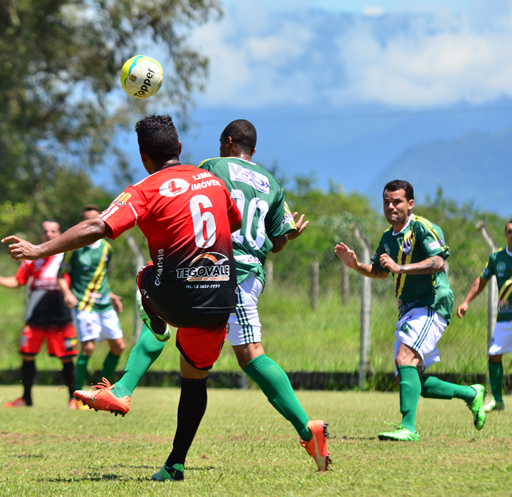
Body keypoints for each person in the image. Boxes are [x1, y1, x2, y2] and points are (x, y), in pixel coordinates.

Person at [74, 119, 331, 473]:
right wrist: (290, 236)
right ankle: (173, 461)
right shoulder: (272, 183)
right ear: (253, 150)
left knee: (250, 355)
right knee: (189, 366)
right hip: (248, 272)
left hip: (222, 269)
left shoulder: (210, 168)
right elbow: (277, 242)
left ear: (226, 142)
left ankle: (307, 428)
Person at [4, 114, 242, 481]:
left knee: (145, 275)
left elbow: (97, 225)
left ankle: (156, 331)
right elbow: (234, 221)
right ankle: (174, 464)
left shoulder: (146, 188)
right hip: (222, 296)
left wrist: (41, 250)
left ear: (144, 156)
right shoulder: (213, 180)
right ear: (179, 148)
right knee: (194, 380)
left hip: (174, 297)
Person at [335, 180, 486, 441]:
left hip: (432, 302)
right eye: (386, 202)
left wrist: (400, 268)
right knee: (410, 378)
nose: (391, 206)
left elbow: (438, 262)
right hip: (409, 309)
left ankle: (408, 428)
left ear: (410, 204)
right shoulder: (387, 237)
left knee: (404, 360)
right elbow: (380, 271)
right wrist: (356, 265)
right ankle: (471, 394)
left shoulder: (422, 227)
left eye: (397, 201)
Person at [0, 220, 79, 409]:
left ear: (60, 233)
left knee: (67, 357)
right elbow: (18, 281)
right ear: (41, 235)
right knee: (27, 355)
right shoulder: (33, 258)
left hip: (60, 318)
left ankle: (73, 399)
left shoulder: (65, 256)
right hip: (35, 317)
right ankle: (26, 398)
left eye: (53, 231)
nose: (49, 234)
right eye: (45, 231)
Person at [58, 206, 125, 409]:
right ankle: (76, 397)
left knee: (118, 346)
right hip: (83, 304)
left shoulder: (107, 248)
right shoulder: (73, 248)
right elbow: (60, 276)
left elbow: (101, 277)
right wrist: (67, 293)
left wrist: (111, 295)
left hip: (104, 304)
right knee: (88, 347)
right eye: (87, 220)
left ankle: (98, 392)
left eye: (96, 220)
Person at [457, 220, 512, 412]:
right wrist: (466, 301)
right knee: (494, 354)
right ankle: (498, 400)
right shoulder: (497, 258)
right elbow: (481, 281)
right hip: (505, 317)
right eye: (510, 232)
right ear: (505, 234)